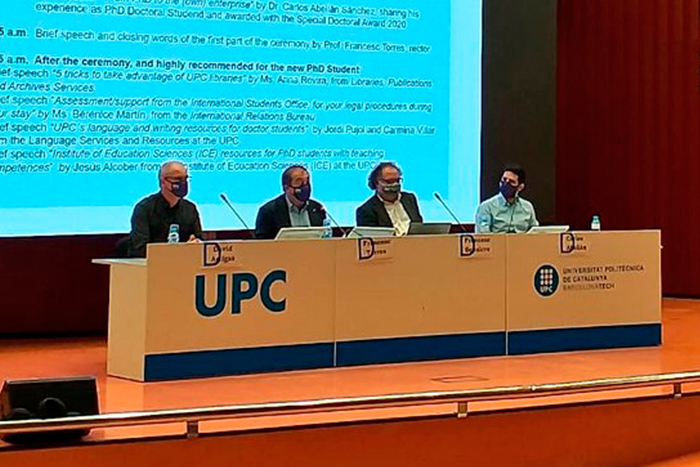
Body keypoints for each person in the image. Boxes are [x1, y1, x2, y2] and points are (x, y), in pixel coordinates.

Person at [129, 161, 203, 257]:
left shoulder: (190, 208)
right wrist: (179, 250)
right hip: (153, 264)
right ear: (163, 181)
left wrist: (196, 244)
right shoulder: (145, 209)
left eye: (185, 178)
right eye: (177, 179)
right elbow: (140, 248)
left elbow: (199, 241)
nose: (183, 183)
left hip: (184, 263)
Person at [254, 165, 326, 239]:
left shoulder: (317, 208)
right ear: (287, 188)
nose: (305, 186)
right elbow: (261, 242)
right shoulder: (269, 211)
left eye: (307, 181)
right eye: (299, 182)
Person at [356, 161, 423, 236]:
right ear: (376, 183)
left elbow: (419, 227)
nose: (394, 185)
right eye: (389, 182)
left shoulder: (409, 199)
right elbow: (370, 239)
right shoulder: (366, 210)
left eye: (397, 181)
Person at [475, 165, 539, 233]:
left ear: (520, 187)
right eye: (504, 179)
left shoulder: (528, 207)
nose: (506, 183)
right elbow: (483, 236)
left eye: (511, 181)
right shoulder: (486, 207)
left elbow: (536, 232)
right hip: (497, 240)